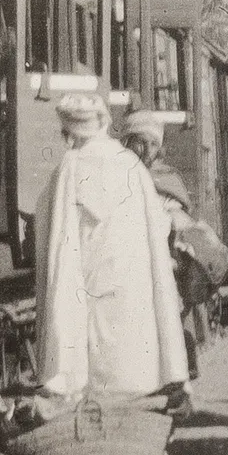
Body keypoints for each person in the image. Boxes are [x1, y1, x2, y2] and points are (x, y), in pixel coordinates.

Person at [34, 92, 191, 403]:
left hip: (91, 294)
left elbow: (53, 232)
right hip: (133, 298)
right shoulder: (131, 166)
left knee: (94, 382)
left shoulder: (70, 166)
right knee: (133, 374)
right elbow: (157, 228)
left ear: (69, 133)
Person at [121, 109, 228, 383]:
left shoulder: (165, 178)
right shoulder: (121, 175)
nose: (142, 149)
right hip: (133, 262)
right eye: (135, 142)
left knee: (171, 323)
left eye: (149, 143)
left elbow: (180, 221)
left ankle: (178, 380)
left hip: (165, 264)